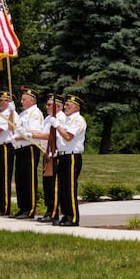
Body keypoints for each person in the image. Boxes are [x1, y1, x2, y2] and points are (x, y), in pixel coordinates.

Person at [52, 93, 86, 226]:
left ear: (76, 108)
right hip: (63, 155)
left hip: (72, 156)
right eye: (65, 105)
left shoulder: (78, 120)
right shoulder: (66, 119)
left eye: (68, 105)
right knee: (63, 187)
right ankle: (65, 215)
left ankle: (73, 217)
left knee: (70, 188)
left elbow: (68, 137)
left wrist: (57, 126)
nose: (65, 107)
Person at [10, 87, 41, 218]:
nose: (21, 102)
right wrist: (11, 112)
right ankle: (22, 208)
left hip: (30, 148)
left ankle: (30, 209)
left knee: (29, 179)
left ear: (31, 101)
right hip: (20, 148)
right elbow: (12, 128)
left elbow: (32, 133)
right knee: (20, 179)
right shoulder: (23, 114)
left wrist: (18, 137)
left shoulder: (34, 113)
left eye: (24, 99)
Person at [35, 92, 62, 222]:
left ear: (58, 107)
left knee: (53, 185)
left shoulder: (60, 118)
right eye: (47, 104)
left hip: (55, 155)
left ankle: (54, 212)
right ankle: (49, 210)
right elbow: (42, 132)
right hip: (47, 154)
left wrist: (33, 136)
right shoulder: (48, 118)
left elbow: (50, 135)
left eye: (50, 104)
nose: (47, 106)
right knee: (47, 185)